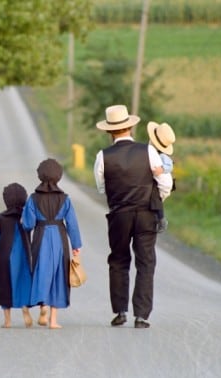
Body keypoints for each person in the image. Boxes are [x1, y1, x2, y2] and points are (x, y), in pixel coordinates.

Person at [93, 105, 173, 329]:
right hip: (146, 213)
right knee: (146, 262)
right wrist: (156, 199)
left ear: (110, 131)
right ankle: (142, 315)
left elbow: (102, 188)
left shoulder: (102, 156)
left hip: (119, 215)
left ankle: (120, 312)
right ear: (130, 126)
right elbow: (164, 182)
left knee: (118, 260)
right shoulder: (147, 151)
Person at [22, 158, 82, 329]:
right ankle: (53, 320)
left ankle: (43, 307)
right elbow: (72, 223)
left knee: (41, 271)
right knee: (59, 275)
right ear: (59, 177)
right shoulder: (65, 199)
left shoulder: (33, 198)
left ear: (40, 176)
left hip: (40, 237)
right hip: (60, 238)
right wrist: (76, 245)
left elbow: (28, 224)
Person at [0, 183, 33, 328]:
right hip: (24, 253)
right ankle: (25, 307)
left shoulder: (0, 219)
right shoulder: (26, 218)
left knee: (6, 283)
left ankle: (7, 320)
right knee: (23, 280)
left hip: (6, 254)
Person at [147, 121, 176, 233]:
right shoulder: (154, 153)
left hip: (160, 184)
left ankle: (161, 219)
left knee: (156, 198)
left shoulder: (163, 156)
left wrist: (162, 169)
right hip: (157, 183)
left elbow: (170, 165)